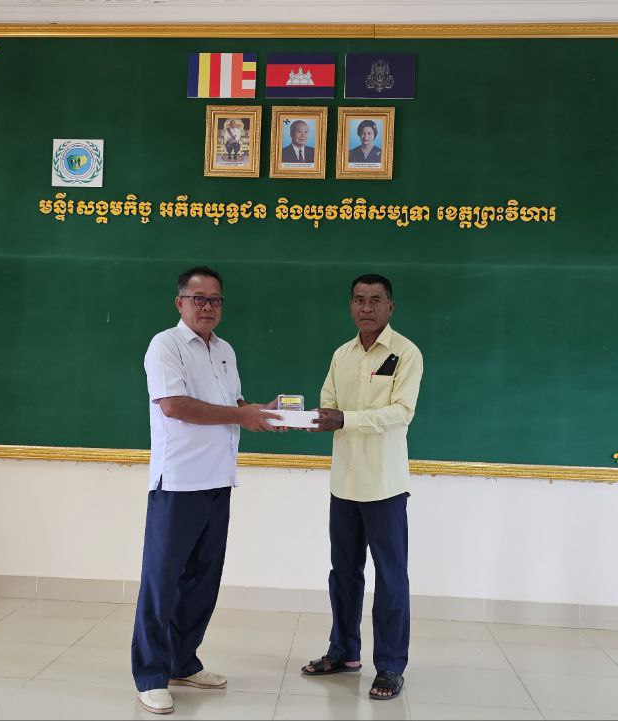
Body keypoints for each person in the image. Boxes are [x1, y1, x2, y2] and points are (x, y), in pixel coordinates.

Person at [132, 266, 279, 715]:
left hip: (219, 480)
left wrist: (257, 411)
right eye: (199, 299)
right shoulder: (165, 345)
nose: (208, 307)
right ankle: (151, 675)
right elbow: (175, 405)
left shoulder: (225, 350)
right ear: (180, 302)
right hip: (179, 483)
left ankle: (182, 662)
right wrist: (240, 416)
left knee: (202, 582)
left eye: (216, 299)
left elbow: (231, 404)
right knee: (162, 582)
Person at [301, 273, 423, 702]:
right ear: (350, 305)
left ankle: (389, 665)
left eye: (375, 300)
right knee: (344, 573)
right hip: (344, 483)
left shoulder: (406, 353)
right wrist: (310, 417)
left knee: (391, 578)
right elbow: (329, 402)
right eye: (358, 300)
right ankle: (343, 652)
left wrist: (345, 419)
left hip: (384, 486)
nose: (366, 308)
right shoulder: (342, 354)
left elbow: (401, 412)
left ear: (390, 307)